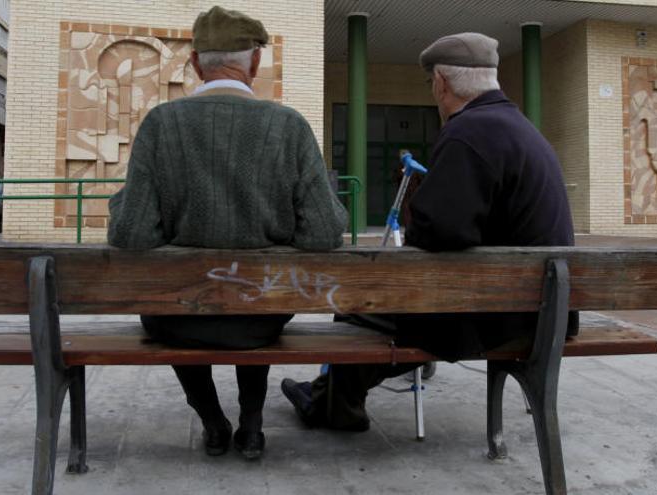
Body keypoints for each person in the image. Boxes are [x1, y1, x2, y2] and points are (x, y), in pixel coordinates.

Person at [281, 32, 576, 432]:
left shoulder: (467, 132)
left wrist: (417, 198)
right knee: (386, 309)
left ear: (440, 82)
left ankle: (335, 405)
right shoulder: (520, 127)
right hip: (543, 313)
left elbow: (435, 235)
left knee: (358, 308)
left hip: (495, 319)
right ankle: (327, 396)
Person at [108, 6, 347, 459]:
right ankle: (252, 425)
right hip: (262, 317)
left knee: (170, 307)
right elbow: (323, 233)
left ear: (196, 64)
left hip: (177, 316)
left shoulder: (161, 124)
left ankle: (213, 422)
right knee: (253, 297)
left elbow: (131, 234)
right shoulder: (288, 126)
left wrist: (121, 202)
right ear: (254, 63)